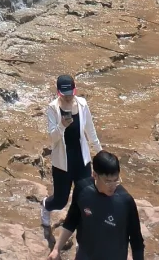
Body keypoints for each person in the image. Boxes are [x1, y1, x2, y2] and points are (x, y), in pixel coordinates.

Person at [49, 149, 145, 260]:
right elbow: (71, 221)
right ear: (95, 175)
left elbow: (137, 242)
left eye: (116, 180)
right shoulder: (82, 189)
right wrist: (56, 249)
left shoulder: (125, 202)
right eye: (108, 181)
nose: (113, 185)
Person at [41, 74, 102, 246]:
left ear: (75, 90)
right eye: (64, 94)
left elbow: (90, 130)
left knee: (85, 198)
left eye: (71, 94)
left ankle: (81, 234)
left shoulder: (82, 104)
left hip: (82, 160)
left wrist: (100, 152)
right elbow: (53, 138)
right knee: (60, 201)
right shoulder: (52, 108)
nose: (68, 97)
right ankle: (45, 206)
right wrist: (62, 125)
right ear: (58, 92)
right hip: (62, 163)